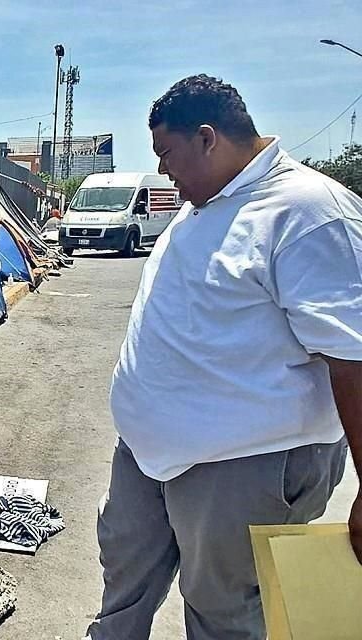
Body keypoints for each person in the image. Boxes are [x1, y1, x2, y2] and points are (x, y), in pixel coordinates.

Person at [87, 75, 362, 640]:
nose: (163, 169)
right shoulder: (205, 204)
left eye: (166, 152)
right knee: (125, 581)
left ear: (208, 138)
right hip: (149, 453)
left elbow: (352, 357)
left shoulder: (308, 212)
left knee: (225, 612)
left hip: (245, 463)